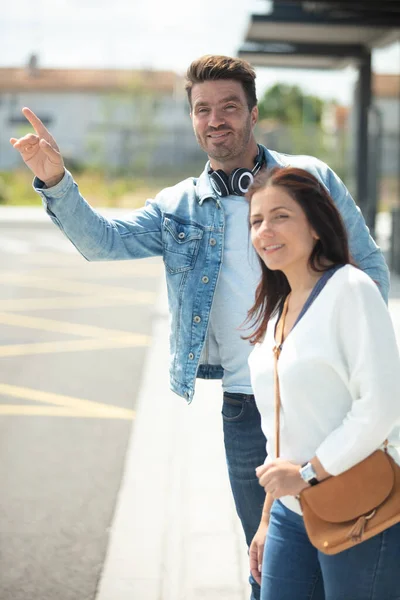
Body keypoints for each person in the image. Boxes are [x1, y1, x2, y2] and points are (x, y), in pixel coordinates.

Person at [10, 55, 390, 600]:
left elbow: (368, 269)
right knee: (268, 559)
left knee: (348, 547)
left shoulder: (308, 180)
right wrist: (54, 179)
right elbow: (103, 242)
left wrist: (355, 345)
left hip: (325, 399)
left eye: (229, 107)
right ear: (193, 119)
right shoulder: (180, 206)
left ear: (253, 114)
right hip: (245, 407)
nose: (216, 120)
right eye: (203, 109)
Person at [246, 166, 400, 600]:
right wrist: (266, 517)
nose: (265, 230)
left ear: (315, 225)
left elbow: (381, 406)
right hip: (290, 514)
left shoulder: (351, 290)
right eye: (256, 221)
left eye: (281, 216)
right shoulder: (276, 310)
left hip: (360, 508)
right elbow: (280, 428)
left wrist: (309, 474)